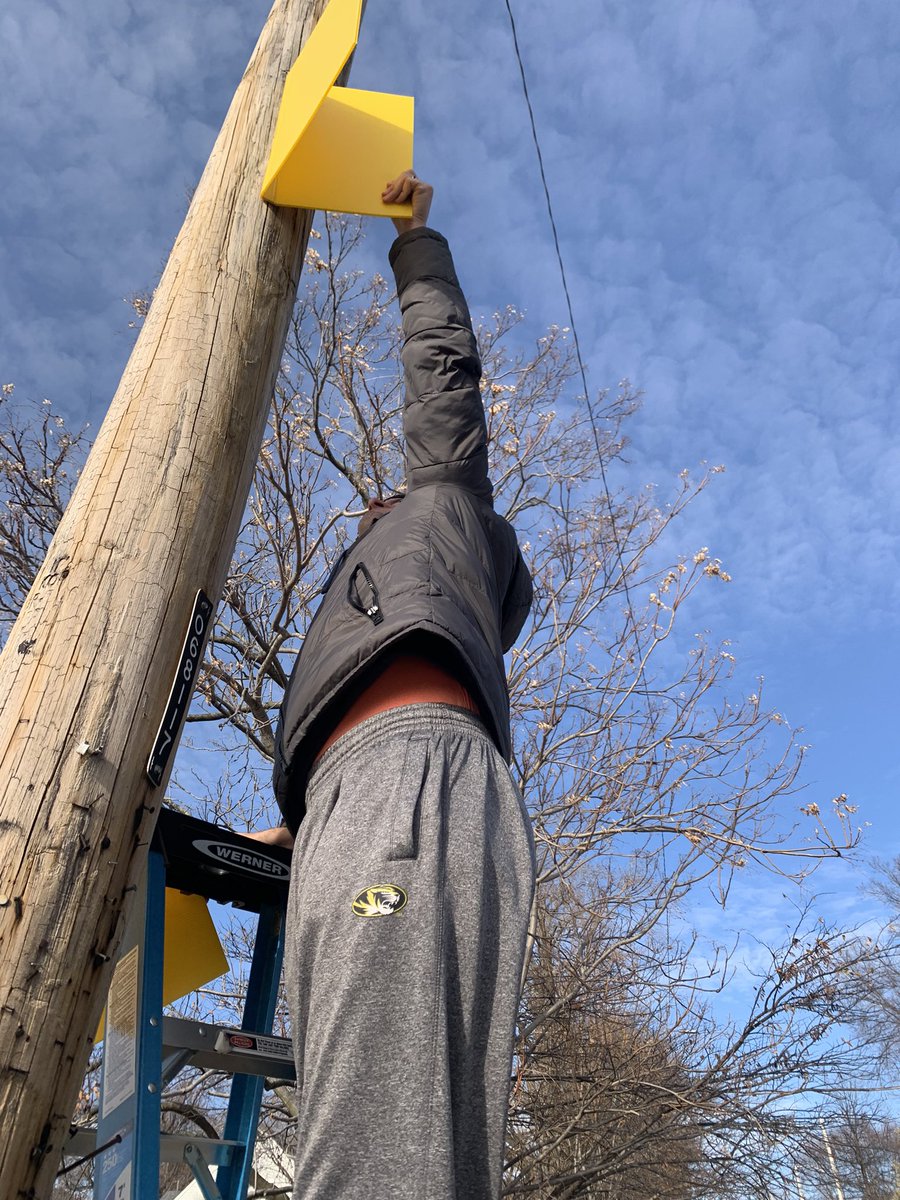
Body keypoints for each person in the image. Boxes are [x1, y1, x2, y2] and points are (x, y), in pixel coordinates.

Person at [256, 171, 536, 1199]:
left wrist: (415, 243)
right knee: (379, 1129)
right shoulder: (378, 604)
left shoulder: (447, 504)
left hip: (404, 783)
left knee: (373, 1146)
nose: (376, 506)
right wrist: (299, 826)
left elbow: (442, 370)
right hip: (351, 803)